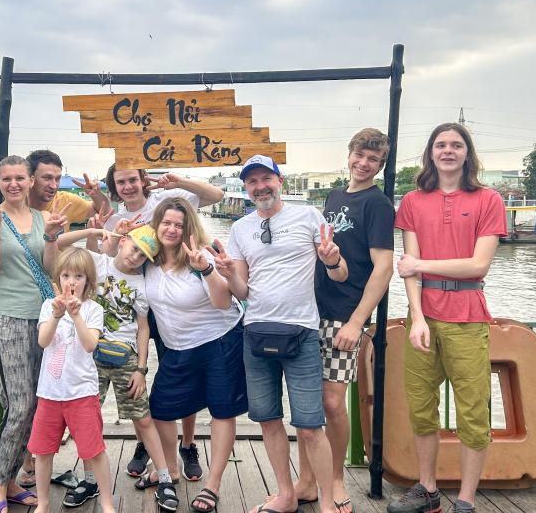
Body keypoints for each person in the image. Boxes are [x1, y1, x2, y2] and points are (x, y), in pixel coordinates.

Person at [213, 154, 343, 513]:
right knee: (268, 420)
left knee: (310, 425)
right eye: (252, 182)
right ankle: (286, 494)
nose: (260, 187)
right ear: (246, 188)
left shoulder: (308, 216)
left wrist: (332, 259)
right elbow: (242, 291)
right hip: (256, 332)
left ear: (279, 180)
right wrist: (228, 272)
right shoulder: (241, 229)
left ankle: (327, 502)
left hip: (301, 331)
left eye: (265, 179)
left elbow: (339, 274)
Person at [388, 123, 507, 513]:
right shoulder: (412, 201)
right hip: (423, 316)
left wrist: (421, 264)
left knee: (473, 409)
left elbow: (478, 265)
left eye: (456, 145)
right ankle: (428, 490)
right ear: (431, 153)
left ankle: (467, 499)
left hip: (468, 316)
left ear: (467, 153)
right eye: (440, 145)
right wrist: (417, 318)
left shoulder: (489, 199)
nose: (448, 151)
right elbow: (408, 271)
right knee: (422, 407)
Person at [288, 129, 395, 513]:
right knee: (307, 404)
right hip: (309, 312)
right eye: (360, 155)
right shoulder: (333, 197)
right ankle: (306, 480)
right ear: (349, 155)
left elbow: (384, 267)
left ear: (380, 166)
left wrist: (357, 322)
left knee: (332, 403)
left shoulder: (378, 204)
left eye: (373, 160)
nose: (364, 164)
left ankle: (335, 479)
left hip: (343, 315)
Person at [102, 165, 224, 480]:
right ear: (114, 186)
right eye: (121, 182)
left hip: (178, 306)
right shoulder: (117, 219)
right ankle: (145, 443)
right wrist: (105, 228)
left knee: (183, 378)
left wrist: (178, 181)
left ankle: (188, 444)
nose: (128, 186)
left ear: (144, 180)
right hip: (143, 305)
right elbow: (108, 262)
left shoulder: (167, 202)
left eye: (133, 179)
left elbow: (216, 195)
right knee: (141, 380)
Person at [47, 224, 178, 511]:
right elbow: (58, 243)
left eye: (143, 256)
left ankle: (165, 478)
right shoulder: (97, 262)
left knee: (142, 418)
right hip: (89, 353)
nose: (135, 257)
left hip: (125, 357)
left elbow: (143, 328)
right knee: (87, 419)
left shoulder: (142, 283)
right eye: (134, 248)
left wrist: (141, 369)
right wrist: (92, 231)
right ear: (122, 242)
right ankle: (89, 480)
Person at [145, 197, 247, 513]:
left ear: (188, 228)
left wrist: (205, 269)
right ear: (156, 225)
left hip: (220, 341)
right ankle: (171, 468)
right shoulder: (147, 259)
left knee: (222, 410)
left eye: (179, 224)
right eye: (166, 223)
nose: (172, 229)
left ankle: (212, 485)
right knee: (160, 408)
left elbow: (222, 302)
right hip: (177, 347)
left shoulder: (200, 256)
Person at [0, 155, 57, 513]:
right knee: (19, 403)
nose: (14, 184)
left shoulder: (42, 218)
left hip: (44, 316)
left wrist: (52, 238)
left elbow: (51, 268)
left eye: (20, 178)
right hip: (7, 314)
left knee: (36, 402)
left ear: (30, 181)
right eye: (6, 179)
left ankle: (10, 481)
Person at [29, 248, 115, 513]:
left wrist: (76, 315)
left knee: (94, 450)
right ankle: (43, 503)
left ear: (88, 281)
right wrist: (57, 315)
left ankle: (107, 503)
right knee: (43, 451)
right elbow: (43, 341)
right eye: (66, 275)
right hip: (50, 393)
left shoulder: (93, 309)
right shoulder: (48, 306)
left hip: (82, 393)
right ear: (58, 279)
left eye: (78, 276)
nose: (71, 282)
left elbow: (89, 345)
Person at [27, 149, 110, 225]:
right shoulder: (19, 204)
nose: (54, 186)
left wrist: (96, 195)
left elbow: (105, 213)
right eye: (47, 178)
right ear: (30, 178)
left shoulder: (65, 201)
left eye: (57, 179)